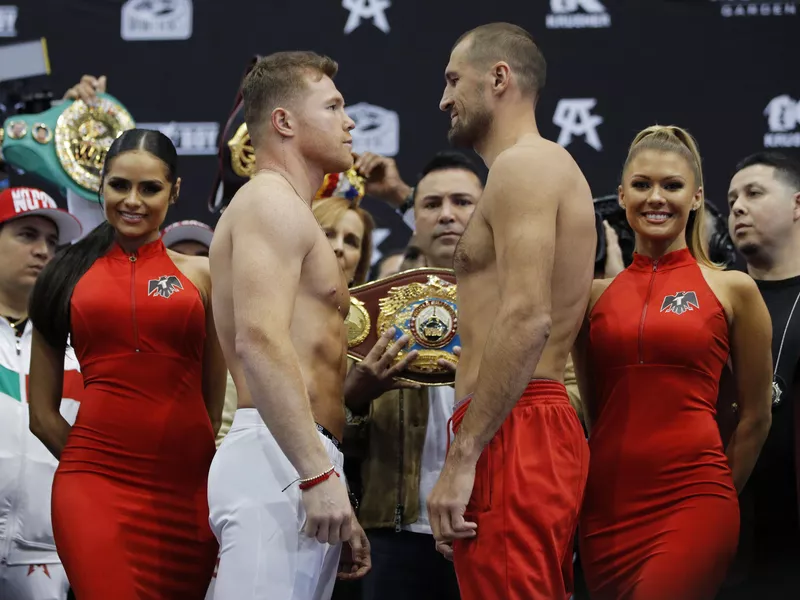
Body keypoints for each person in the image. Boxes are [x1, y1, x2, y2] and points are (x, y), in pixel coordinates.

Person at [426, 23, 596, 600]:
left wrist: (463, 456)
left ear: (499, 78)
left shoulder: (525, 167)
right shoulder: (523, 170)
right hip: (510, 421)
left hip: (515, 423)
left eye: (453, 80)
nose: (444, 99)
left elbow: (527, 316)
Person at [574, 126, 773, 600]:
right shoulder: (592, 299)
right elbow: (596, 414)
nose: (656, 198)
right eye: (642, 185)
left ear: (697, 196)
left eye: (672, 185)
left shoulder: (733, 290)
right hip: (606, 510)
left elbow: (755, 416)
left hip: (695, 500)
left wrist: (720, 490)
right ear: (621, 195)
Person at [27, 129, 226, 600]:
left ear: (174, 191)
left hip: (187, 493)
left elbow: (211, 397)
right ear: (102, 185)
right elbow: (41, 415)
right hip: (94, 489)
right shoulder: (63, 274)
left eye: (150, 188)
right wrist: (92, 463)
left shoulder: (205, 275)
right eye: (119, 185)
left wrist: (186, 462)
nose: (132, 201)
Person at [206, 51, 371, 600]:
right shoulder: (269, 204)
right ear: (283, 121)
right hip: (278, 458)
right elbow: (258, 339)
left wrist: (328, 473)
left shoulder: (288, 210)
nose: (349, 122)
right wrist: (318, 475)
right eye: (333, 106)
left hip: (298, 458)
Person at [348, 150, 482, 600]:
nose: (447, 215)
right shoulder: (373, 307)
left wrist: (495, 390)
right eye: (431, 205)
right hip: (393, 531)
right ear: (415, 218)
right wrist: (356, 394)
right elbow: (322, 426)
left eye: (463, 202)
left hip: (486, 521)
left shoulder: (520, 301)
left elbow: (568, 397)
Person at [719, 151, 800, 597]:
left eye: (753, 193)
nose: (737, 207)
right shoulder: (712, 299)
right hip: (726, 532)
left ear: (797, 205)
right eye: (731, 199)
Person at [0, 187, 82, 600]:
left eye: (52, 242)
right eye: (27, 235)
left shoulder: (77, 346)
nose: (43, 251)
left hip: (45, 554)